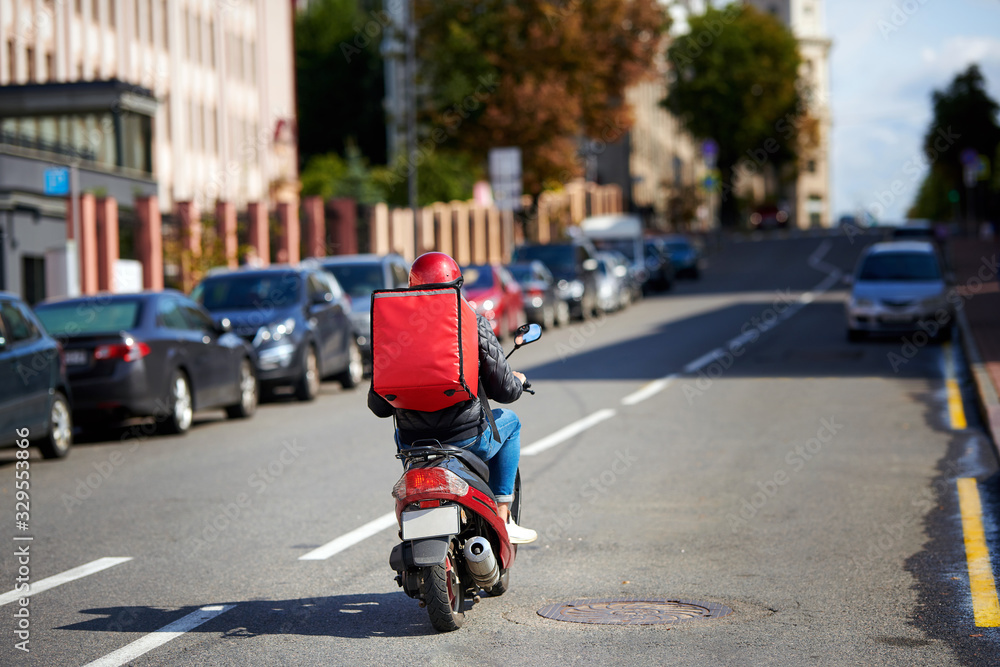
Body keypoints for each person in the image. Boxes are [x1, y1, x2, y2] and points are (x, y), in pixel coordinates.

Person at [368, 252, 538, 544]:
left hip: (413, 445)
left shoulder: (394, 331)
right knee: (511, 422)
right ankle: (502, 513)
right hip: (467, 441)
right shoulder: (472, 320)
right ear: (457, 285)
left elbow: (379, 406)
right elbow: (505, 391)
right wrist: (518, 381)